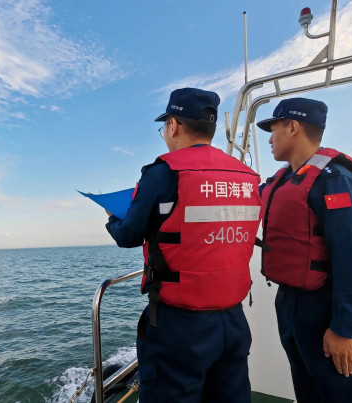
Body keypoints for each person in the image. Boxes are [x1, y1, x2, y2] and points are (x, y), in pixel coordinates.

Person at [105, 87, 262, 402]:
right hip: (232, 320)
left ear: (173, 125)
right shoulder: (247, 177)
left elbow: (129, 235)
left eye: (165, 126)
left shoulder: (163, 173)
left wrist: (112, 219)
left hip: (180, 325)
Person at [256, 97, 352, 402]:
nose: (270, 139)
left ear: (293, 127)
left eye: (273, 130)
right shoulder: (283, 180)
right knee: (309, 391)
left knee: (342, 393)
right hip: (291, 304)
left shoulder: (335, 180)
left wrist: (345, 329)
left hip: (325, 308)